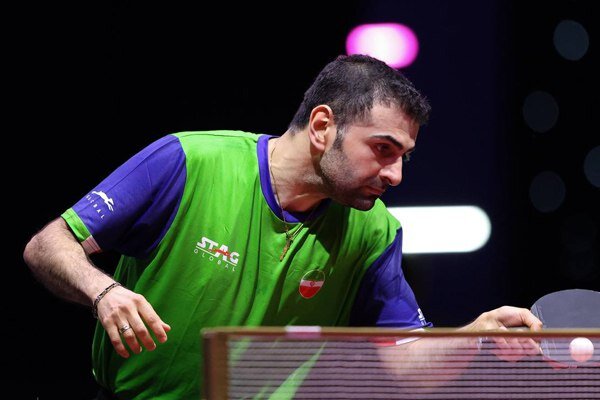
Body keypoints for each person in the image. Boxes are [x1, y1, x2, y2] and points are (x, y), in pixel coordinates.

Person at [24, 54, 542, 399]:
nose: (395, 175)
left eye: (403, 156)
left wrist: (474, 337)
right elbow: (48, 244)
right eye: (383, 149)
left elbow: (405, 362)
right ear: (322, 126)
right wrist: (104, 291)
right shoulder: (188, 161)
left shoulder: (374, 231)